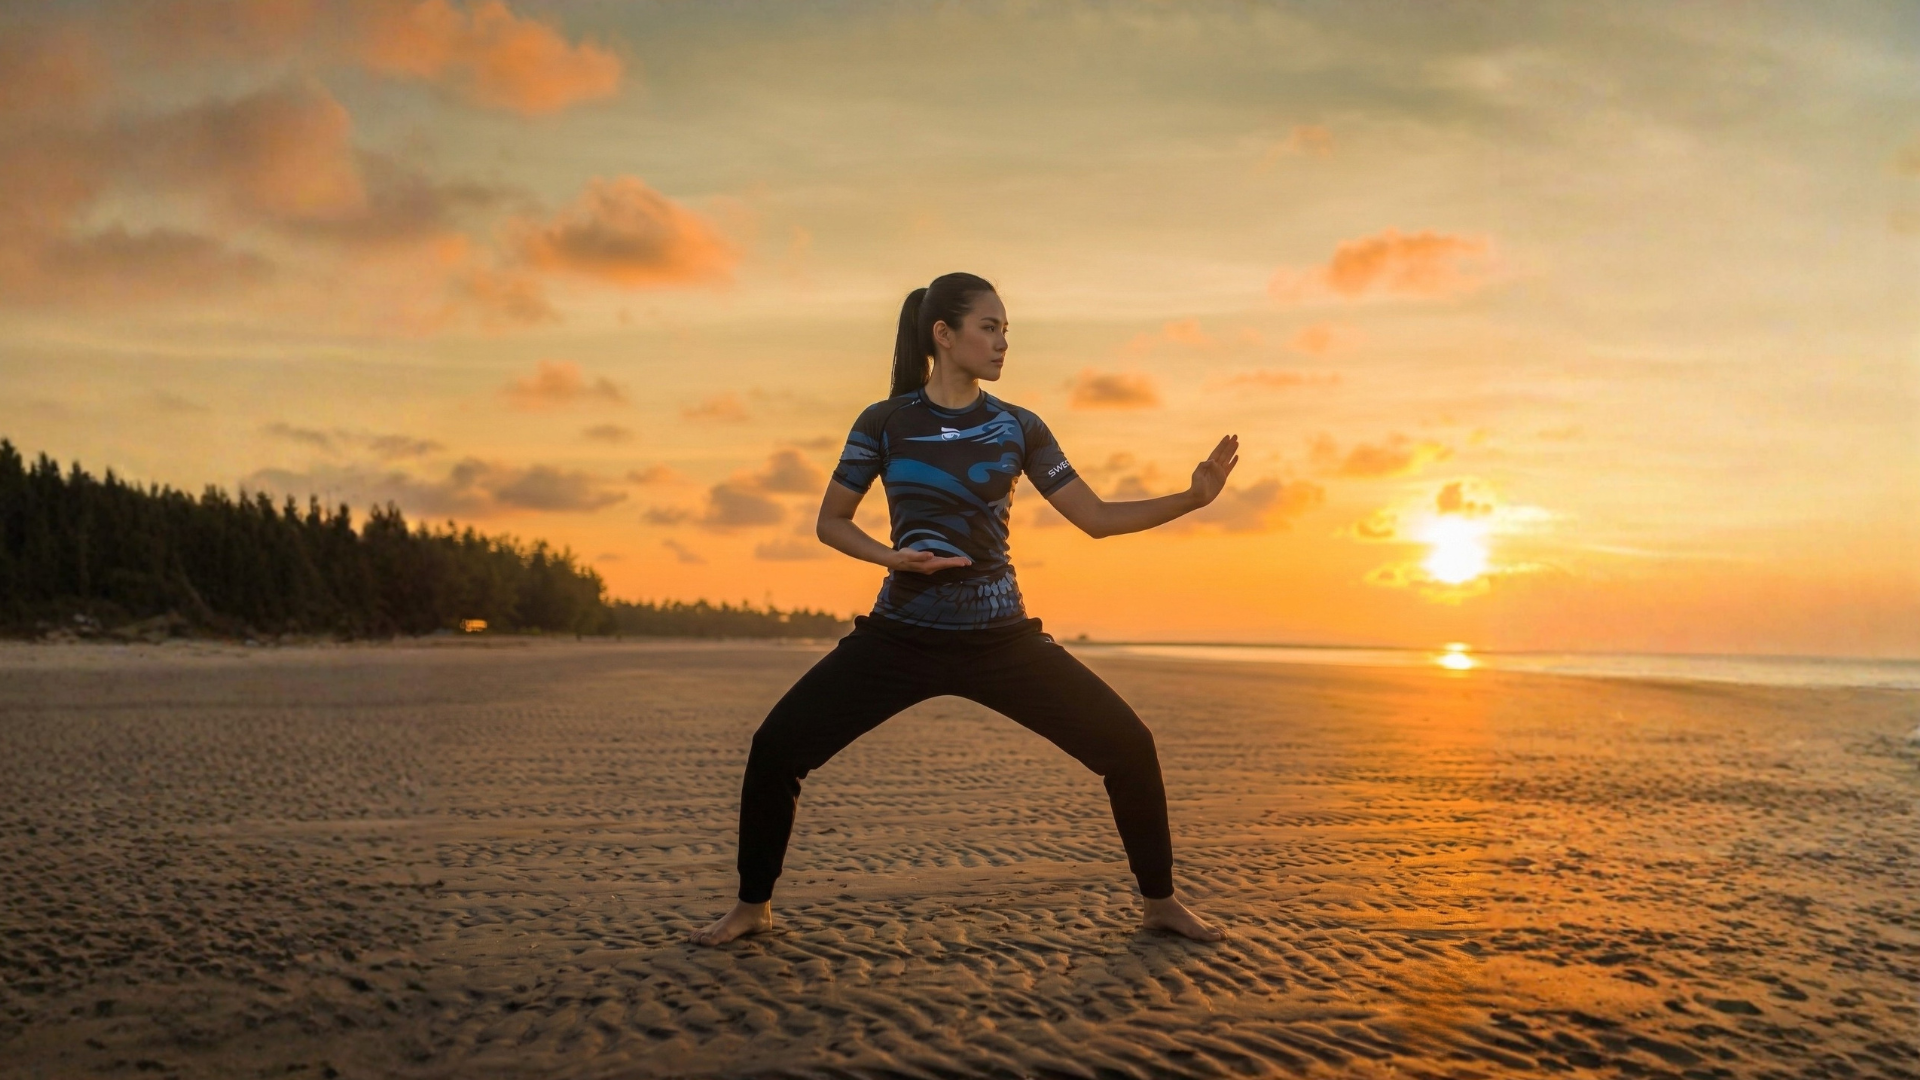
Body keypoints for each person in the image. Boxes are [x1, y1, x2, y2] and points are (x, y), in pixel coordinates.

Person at [691, 272, 1238, 946]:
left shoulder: (1019, 427)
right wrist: (894, 559)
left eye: (1008, 329)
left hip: (1001, 640)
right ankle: (753, 906)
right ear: (943, 335)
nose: (1004, 341)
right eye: (991, 326)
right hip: (900, 636)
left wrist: (1191, 499)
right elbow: (831, 522)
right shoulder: (885, 422)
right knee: (776, 749)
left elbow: (1093, 517)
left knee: (1129, 746)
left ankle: (1160, 902)